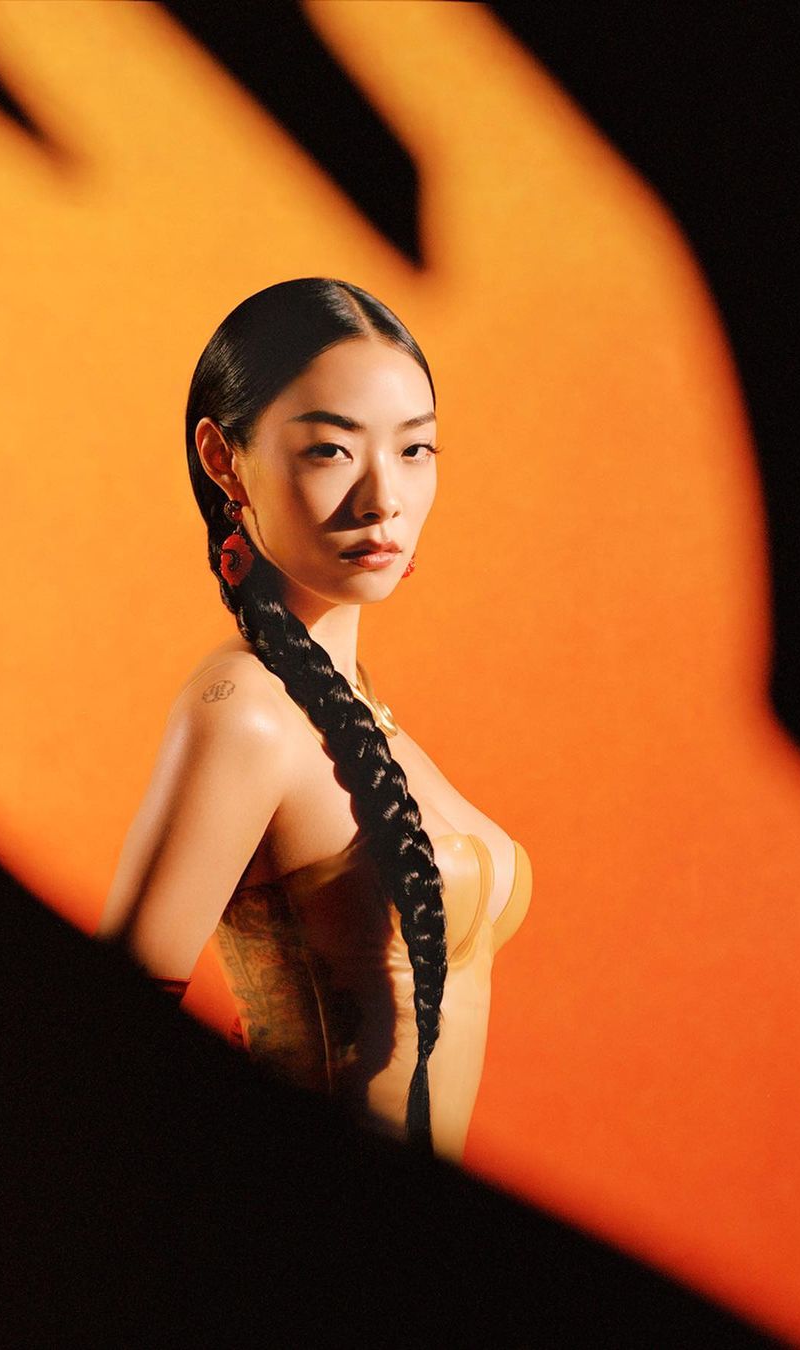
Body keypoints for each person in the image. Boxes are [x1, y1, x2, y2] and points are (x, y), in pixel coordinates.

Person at [98, 278, 532, 1159]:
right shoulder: (244, 714)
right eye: (332, 450)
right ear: (224, 460)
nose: (384, 498)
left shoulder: (353, 705)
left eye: (415, 449)